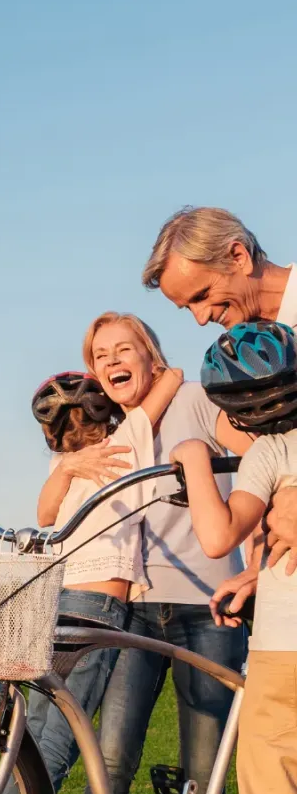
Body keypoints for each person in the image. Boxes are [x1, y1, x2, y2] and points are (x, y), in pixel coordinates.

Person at [58, 312, 253, 794]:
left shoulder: (196, 398)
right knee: (110, 760)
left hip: (208, 606)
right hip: (138, 613)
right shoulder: (113, 434)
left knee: (206, 763)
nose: (113, 360)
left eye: (125, 348)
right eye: (100, 353)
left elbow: (253, 453)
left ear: (150, 354)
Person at [0, 367, 181, 794]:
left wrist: (66, 467)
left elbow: (43, 516)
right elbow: (173, 379)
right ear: (104, 415)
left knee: (36, 734)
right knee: (62, 742)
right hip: (97, 607)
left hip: (58, 600)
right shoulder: (127, 441)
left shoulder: (61, 465)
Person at [169, 320, 297, 794]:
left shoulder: (271, 453)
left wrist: (193, 457)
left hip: (283, 657)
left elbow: (216, 534)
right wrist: (257, 573)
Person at [143, 205, 297, 603]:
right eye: (186, 307)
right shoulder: (244, 360)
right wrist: (256, 570)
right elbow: (271, 465)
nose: (199, 318)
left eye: (202, 295)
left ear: (238, 256)